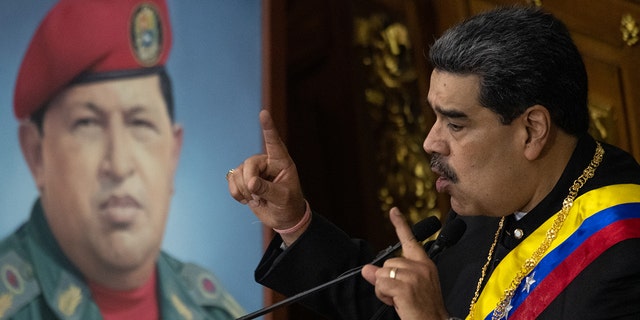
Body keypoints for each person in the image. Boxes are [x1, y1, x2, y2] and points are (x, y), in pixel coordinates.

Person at [227, 5, 640, 320]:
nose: (430, 141)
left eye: (455, 124)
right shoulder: (492, 198)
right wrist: (294, 221)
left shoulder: (622, 264)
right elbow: (387, 307)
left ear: (532, 130)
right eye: (435, 116)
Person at [0, 0, 245, 318]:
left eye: (140, 123)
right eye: (87, 124)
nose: (118, 165)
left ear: (172, 154)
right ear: (36, 156)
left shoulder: (215, 311)